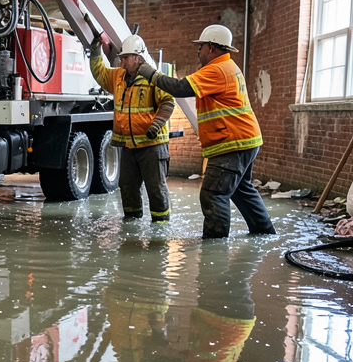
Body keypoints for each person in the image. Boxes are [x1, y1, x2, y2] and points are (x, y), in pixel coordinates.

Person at [140, 24, 275, 238]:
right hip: (246, 140)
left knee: (213, 194)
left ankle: (215, 247)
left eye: (200, 46)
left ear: (211, 48)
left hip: (231, 143)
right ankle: (265, 233)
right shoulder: (229, 67)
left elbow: (180, 88)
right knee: (242, 190)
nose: (198, 51)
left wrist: (151, 74)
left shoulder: (217, 69)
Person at [90, 34, 175, 221]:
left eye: (125, 58)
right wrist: (95, 51)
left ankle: (160, 226)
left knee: (156, 187)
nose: (121, 62)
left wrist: (156, 125)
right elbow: (100, 73)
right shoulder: (118, 77)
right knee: (127, 186)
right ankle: (132, 220)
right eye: (121, 58)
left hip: (152, 146)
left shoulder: (154, 78)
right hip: (129, 146)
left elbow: (168, 102)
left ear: (138, 58)